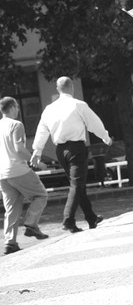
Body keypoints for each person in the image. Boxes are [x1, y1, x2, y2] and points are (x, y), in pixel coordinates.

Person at [31, 77, 112, 233]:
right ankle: (68, 219)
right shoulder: (78, 105)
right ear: (72, 87)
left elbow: (42, 130)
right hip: (76, 149)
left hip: (60, 151)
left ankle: (90, 217)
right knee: (76, 185)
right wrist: (106, 137)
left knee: (77, 185)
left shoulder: (49, 109)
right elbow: (94, 123)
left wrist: (37, 150)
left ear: (57, 88)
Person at [0, 97, 49, 255]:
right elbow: (19, 149)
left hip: (2, 174)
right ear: (13, 107)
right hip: (18, 169)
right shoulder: (16, 125)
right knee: (41, 195)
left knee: (12, 209)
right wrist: (36, 162)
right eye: (17, 107)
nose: (18, 110)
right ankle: (31, 224)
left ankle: (10, 242)